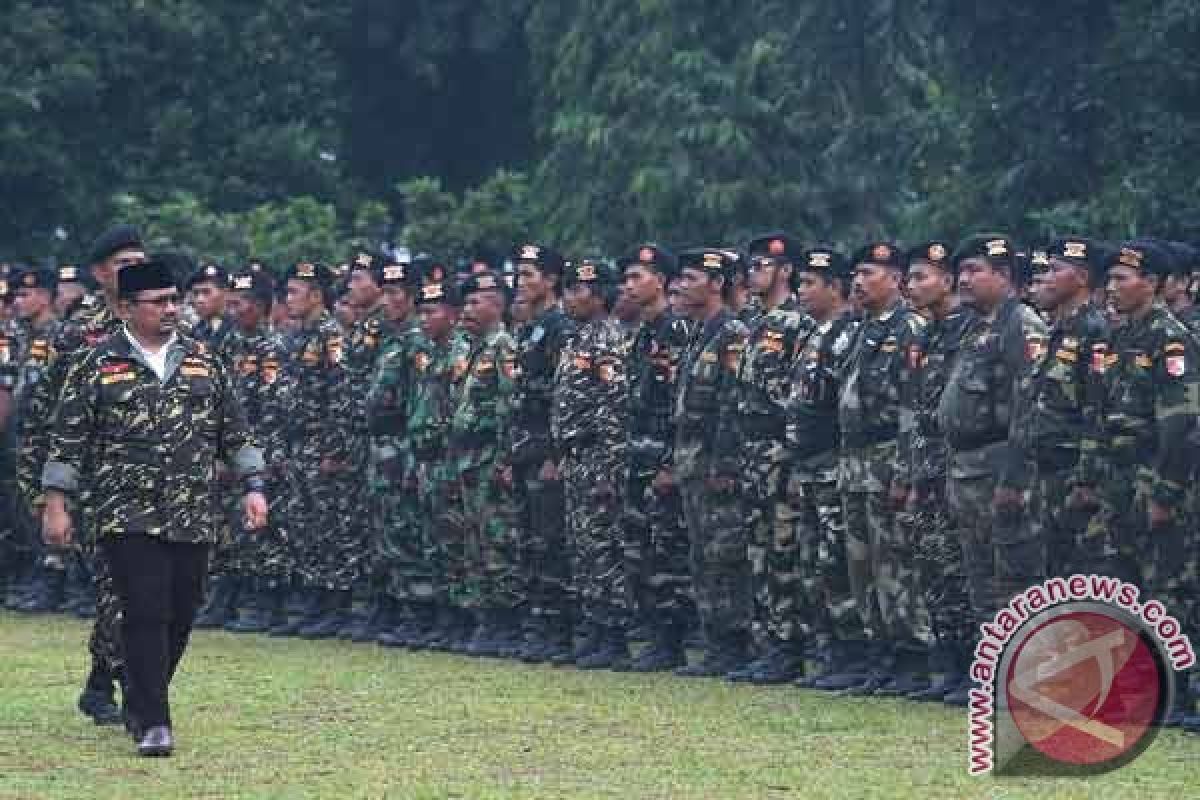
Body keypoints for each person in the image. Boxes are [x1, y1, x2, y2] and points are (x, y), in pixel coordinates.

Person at [41, 256, 268, 757]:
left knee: (183, 611)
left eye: (175, 300)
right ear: (126, 308)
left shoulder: (203, 360)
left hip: (192, 511)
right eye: (158, 302)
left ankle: (141, 696)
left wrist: (254, 485)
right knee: (145, 609)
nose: (171, 310)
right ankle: (155, 724)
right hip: (125, 512)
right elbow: (67, 443)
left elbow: (238, 431)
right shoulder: (96, 364)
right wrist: (56, 504)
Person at [938, 234, 1048, 706]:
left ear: (1004, 277)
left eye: (975, 270)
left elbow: (1031, 406)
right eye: (961, 271)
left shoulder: (1020, 325)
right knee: (980, 574)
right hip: (967, 467)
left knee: (1014, 575)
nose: (963, 279)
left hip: (1001, 462)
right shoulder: (972, 326)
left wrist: (1016, 477)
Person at [724, 233, 815, 684]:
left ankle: (790, 643)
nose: (751, 273)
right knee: (758, 547)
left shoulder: (798, 323)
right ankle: (768, 641)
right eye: (750, 265)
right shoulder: (752, 322)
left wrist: (795, 457)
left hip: (780, 447)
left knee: (784, 546)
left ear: (785, 271)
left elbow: (799, 397)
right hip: (753, 448)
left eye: (762, 265)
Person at [671, 247, 753, 677]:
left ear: (716, 283)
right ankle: (715, 637)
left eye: (690, 278)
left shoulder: (732, 333)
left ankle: (735, 640)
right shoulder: (698, 332)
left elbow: (732, 404)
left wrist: (725, 463)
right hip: (691, 461)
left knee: (726, 552)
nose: (681, 285)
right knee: (702, 553)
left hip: (714, 464)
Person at [618, 244, 694, 672]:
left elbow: (678, 404)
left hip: (662, 457)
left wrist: (668, 462)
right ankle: (653, 632)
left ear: (662, 282)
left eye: (638, 278)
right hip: (636, 454)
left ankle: (673, 637)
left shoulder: (676, 331)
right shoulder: (641, 334)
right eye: (626, 279)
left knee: (668, 548)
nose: (628, 286)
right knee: (640, 548)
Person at [553, 258, 631, 668]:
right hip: (577, 455)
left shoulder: (608, 337)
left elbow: (614, 405)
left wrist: (608, 466)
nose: (568, 297)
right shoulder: (578, 337)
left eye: (576, 289)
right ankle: (596, 628)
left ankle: (614, 635)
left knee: (604, 546)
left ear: (599, 295)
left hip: (600, 455)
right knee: (584, 545)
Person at [503, 243, 576, 663]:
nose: (522, 282)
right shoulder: (531, 329)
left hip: (546, 449)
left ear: (550, 280)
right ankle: (538, 621)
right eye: (519, 274)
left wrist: (554, 453)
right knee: (530, 538)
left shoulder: (559, 328)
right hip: (525, 448)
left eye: (530, 274)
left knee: (551, 540)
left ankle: (557, 627)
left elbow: (562, 398)